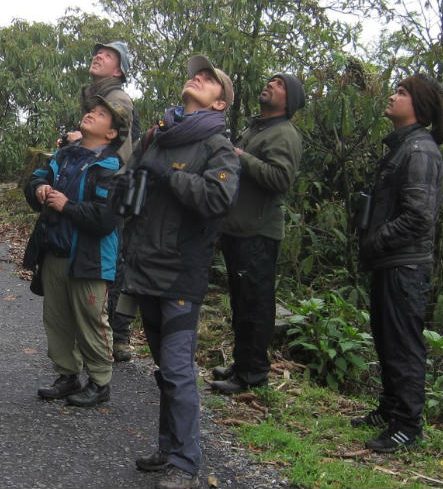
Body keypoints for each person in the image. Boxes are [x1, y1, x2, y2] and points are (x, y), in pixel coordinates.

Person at [119, 55, 240, 489]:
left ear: (220, 103)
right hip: (143, 266)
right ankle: (169, 447)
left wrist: (168, 177)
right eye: (196, 74)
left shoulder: (217, 147)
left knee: (176, 368)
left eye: (209, 79)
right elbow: (129, 184)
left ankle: (186, 462)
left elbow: (217, 199)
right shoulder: (157, 136)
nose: (198, 78)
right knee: (163, 369)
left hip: (180, 274)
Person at [352, 73, 443, 453]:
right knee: (386, 337)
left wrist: (375, 241)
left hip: (405, 265)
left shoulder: (420, 151)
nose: (393, 96)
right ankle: (390, 408)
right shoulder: (402, 147)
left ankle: (408, 425)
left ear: (419, 107)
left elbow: (419, 216)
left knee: (403, 344)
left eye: (402, 92)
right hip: (389, 261)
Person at [23, 96, 128, 408]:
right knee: (57, 319)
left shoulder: (111, 168)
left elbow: (105, 219)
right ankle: (68, 375)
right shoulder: (65, 156)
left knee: (90, 320)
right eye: (91, 110)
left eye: (101, 114)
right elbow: (39, 176)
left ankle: (100, 381)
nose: (92, 114)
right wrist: (39, 188)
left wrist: (66, 206)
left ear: (111, 134)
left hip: (90, 259)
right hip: (55, 251)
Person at [209, 74, 305, 395]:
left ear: (288, 100)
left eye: (279, 84)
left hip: (259, 232)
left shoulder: (284, 133)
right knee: (240, 302)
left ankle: (253, 374)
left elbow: (280, 179)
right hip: (238, 228)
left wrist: (241, 157)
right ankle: (241, 364)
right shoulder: (257, 128)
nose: (269, 84)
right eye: (270, 80)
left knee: (255, 304)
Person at [60, 41, 139, 361]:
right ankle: (106, 339)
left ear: (119, 71)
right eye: (98, 52)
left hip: (107, 190)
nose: (98, 56)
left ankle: (112, 341)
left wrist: (83, 148)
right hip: (101, 188)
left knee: (109, 261)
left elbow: (119, 150)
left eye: (108, 56)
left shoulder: (118, 99)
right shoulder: (97, 97)